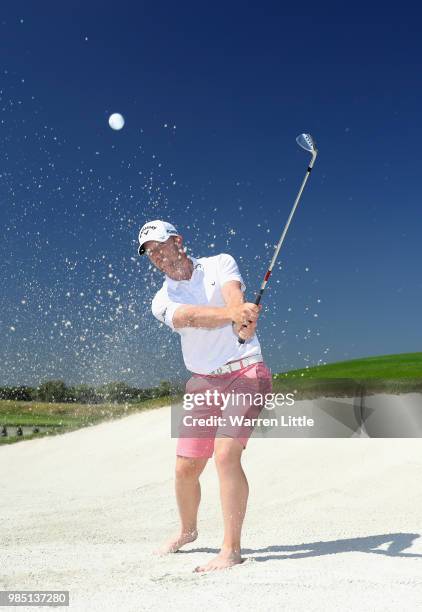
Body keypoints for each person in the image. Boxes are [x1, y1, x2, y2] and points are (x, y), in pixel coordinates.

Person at [138, 219, 272, 572]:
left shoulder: (220, 263)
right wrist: (233, 315)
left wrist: (241, 313)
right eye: (149, 253)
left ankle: (231, 549)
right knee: (186, 469)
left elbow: (232, 295)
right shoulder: (161, 300)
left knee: (226, 454)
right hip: (203, 383)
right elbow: (191, 318)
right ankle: (188, 530)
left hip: (246, 370)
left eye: (161, 245)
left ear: (178, 241)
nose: (157, 256)